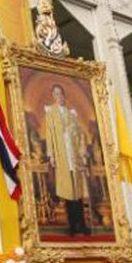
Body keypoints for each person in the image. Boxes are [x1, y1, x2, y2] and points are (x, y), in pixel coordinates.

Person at [43, 84, 89, 235]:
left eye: (60, 93)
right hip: (62, 155)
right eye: (55, 94)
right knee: (68, 190)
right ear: (53, 96)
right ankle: (72, 225)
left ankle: (81, 224)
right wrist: (51, 155)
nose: (58, 96)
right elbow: (50, 135)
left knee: (77, 190)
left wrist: (82, 152)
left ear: (64, 95)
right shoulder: (50, 114)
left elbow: (80, 134)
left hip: (74, 155)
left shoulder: (72, 114)